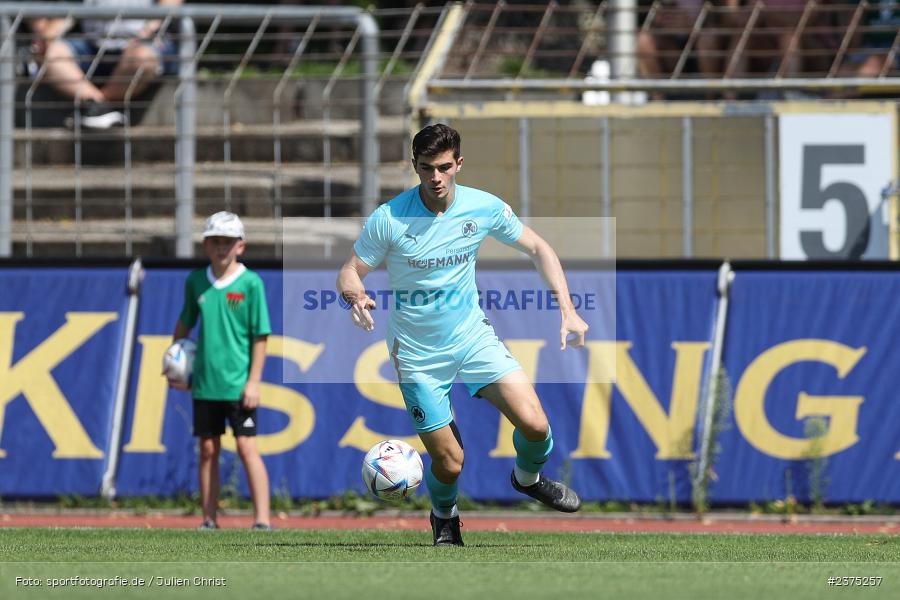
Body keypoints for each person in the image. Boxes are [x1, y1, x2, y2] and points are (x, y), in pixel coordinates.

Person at [337, 124, 589, 546]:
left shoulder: (482, 206)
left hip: (473, 340)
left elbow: (539, 248)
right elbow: (351, 269)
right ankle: (444, 515)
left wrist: (569, 311)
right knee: (451, 463)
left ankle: (527, 479)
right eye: (425, 168)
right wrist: (354, 295)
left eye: (442, 167)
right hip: (417, 354)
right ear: (413, 167)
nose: (434, 178)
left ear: (458, 164)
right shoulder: (389, 218)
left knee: (535, 425)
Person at [168, 211, 273, 531]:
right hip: (205, 382)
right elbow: (186, 322)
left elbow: (260, 336)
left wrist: (253, 382)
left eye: (227, 242)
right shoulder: (196, 281)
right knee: (208, 449)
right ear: (205, 245)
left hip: (239, 383)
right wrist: (173, 360)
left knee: (246, 447)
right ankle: (209, 519)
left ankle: (263, 520)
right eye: (215, 241)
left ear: (240, 246)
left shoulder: (251, 283)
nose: (221, 247)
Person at [28, 0, 182, 129]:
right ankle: (100, 108)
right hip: (93, 46)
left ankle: (96, 107)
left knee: (142, 58)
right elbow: (73, 9)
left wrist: (148, 30)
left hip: (143, 42)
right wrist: (47, 38)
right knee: (50, 52)